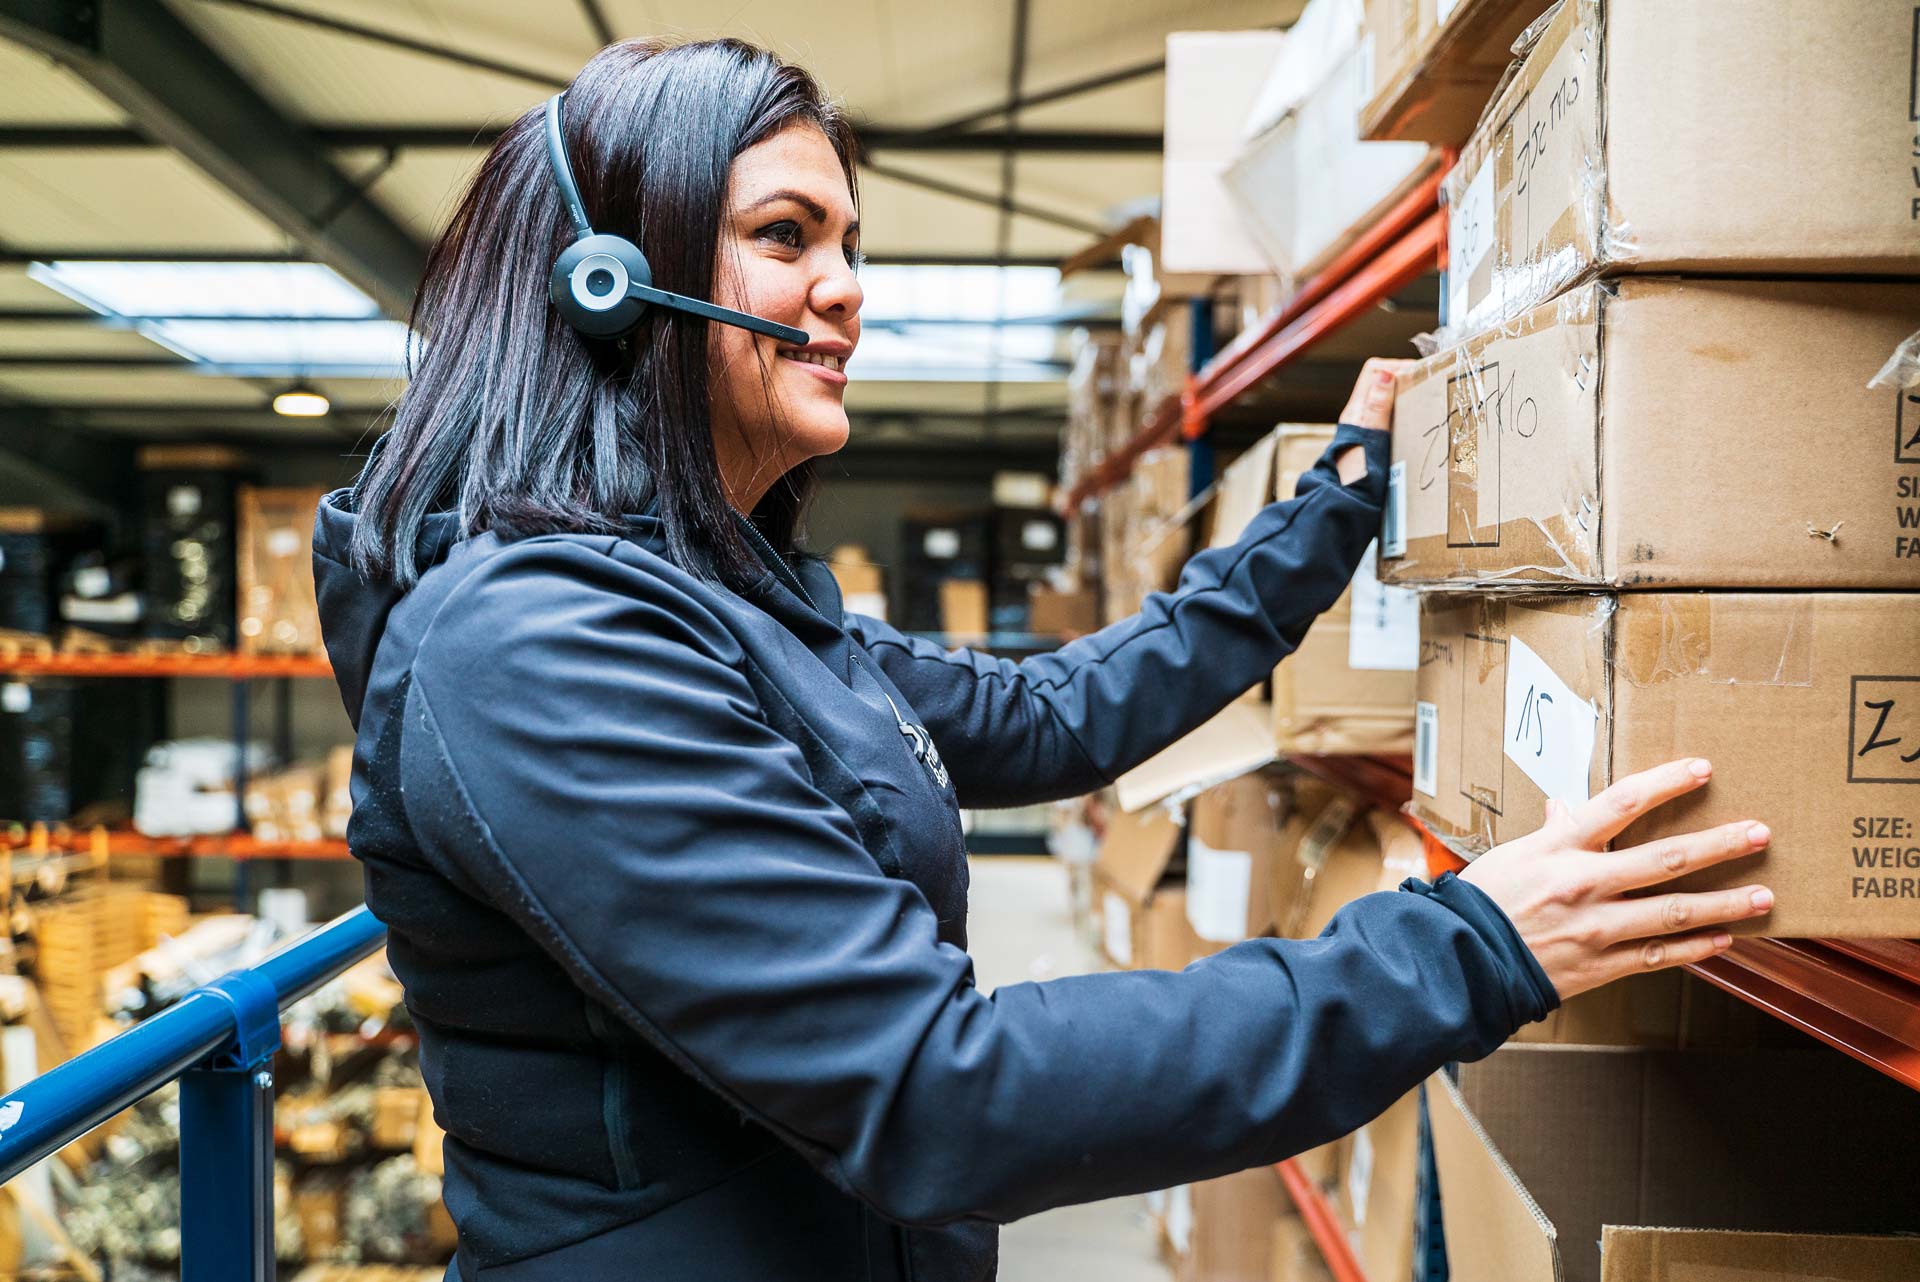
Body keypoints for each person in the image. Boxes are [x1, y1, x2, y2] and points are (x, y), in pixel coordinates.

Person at [312, 37, 1775, 1282]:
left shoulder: (729, 604)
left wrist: (1330, 505)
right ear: (605, 281)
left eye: (851, 246)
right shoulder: (534, 649)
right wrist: (1468, 948)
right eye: (786, 236)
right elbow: (937, 1086)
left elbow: (1052, 709)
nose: (845, 288)